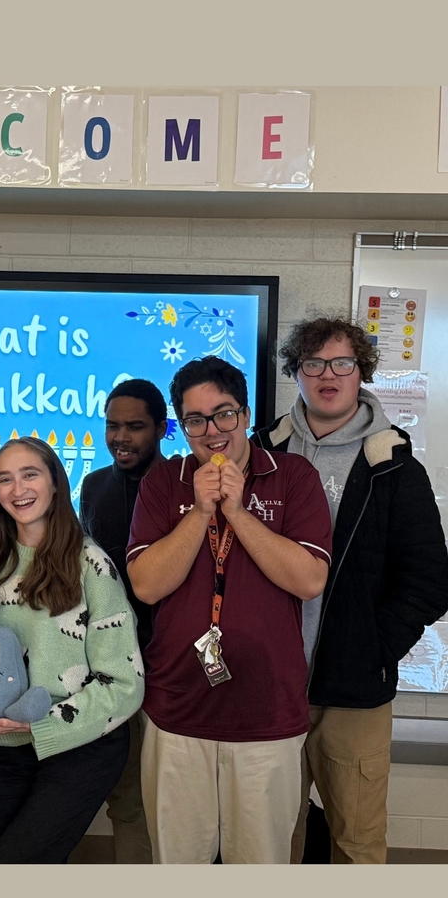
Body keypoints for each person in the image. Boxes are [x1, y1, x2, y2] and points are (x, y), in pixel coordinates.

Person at [254, 316, 448, 864]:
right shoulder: (262, 455)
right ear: (297, 373)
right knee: (269, 842)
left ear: (361, 371)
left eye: (342, 362)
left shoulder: (393, 466)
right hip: (272, 685)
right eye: (313, 364)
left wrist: (372, 650)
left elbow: (429, 580)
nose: (328, 375)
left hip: (354, 695)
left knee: (357, 844)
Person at [127, 356, 332, 864]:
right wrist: (201, 511)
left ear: (245, 413)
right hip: (177, 713)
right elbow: (147, 585)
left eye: (223, 414)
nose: (212, 431)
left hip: (267, 715)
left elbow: (309, 580)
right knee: (178, 864)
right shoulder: (162, 483)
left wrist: (237, 512)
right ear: (181, 424)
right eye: (195, 420)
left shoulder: (294, 477)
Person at [0, 436, 144, 864]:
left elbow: (124, 686)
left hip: (77, 749)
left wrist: (40, 728)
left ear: (55, 483)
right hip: (3, 750)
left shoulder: (92, 564)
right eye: (5, 479)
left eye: (30, 474)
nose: (17, 489)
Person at [79, 378, 168, 864]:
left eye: (135, 427)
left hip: (173, 669)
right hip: (111, 667)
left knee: (175, 800)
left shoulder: (182, 484)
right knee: (127, 800)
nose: (121, 437)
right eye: (113, 426)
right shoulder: (93, 486)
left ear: (161, 428)